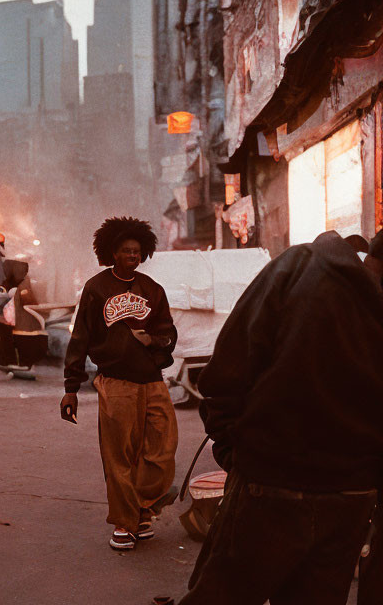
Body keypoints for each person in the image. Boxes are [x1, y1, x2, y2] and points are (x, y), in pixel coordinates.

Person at [178, 229, 383, 605]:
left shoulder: (298, 267)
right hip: (350, 496)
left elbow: (227, 369)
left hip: (274, 483)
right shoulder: (306, 272)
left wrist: (237, 453)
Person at [61, 217, 179, 551]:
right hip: (115, 382)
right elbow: (80, 338)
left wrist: (152, 341)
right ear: (112, 252)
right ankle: (127, 524)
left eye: (137, 251)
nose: (132, 256)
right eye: (126, 251)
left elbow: (169, 332)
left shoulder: (153, 290)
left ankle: (140, 507)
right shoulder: (96, 288)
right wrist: (71, 387)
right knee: (119, 458)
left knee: (162, 450)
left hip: (152, 381)